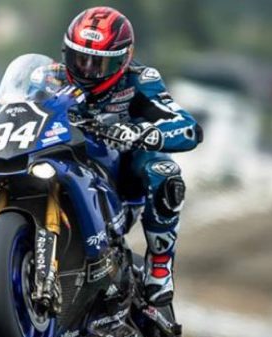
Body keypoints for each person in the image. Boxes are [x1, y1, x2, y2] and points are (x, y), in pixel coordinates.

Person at [56, 6, 203, 311]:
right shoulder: (49, 76)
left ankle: (160, 266)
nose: (87, 70)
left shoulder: (141, 80)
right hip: (61, 159)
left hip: (118, 176)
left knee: (164, 171)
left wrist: (143, 133)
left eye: (99, 63)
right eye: (80, 59)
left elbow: (189, 128)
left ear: (122, 60)